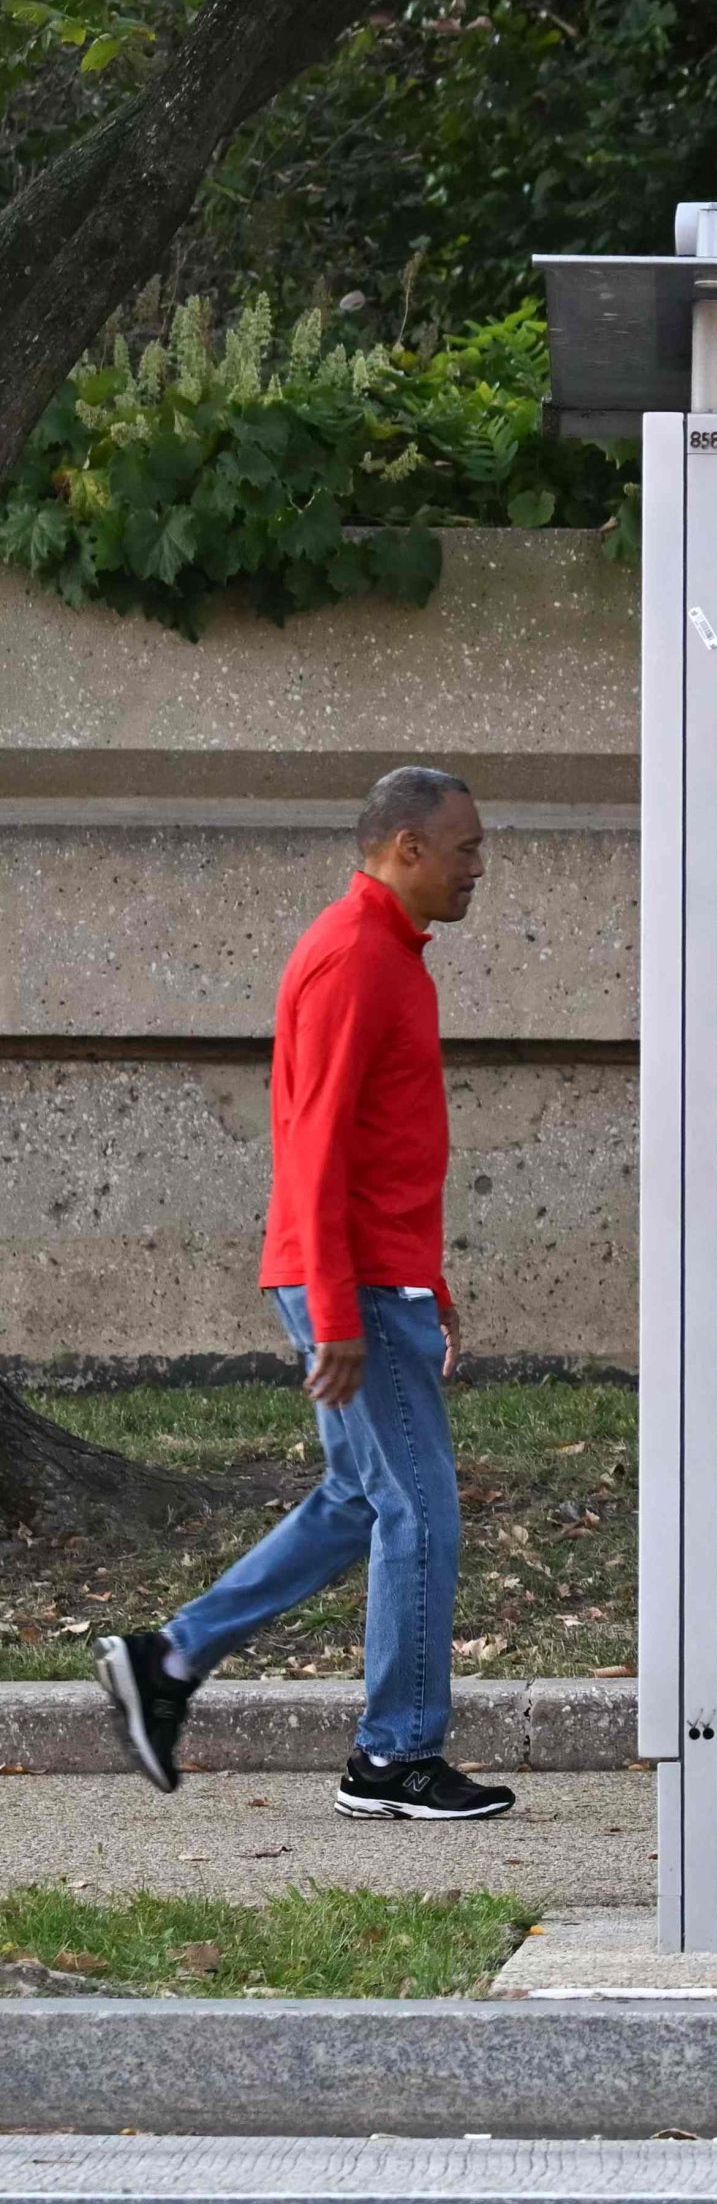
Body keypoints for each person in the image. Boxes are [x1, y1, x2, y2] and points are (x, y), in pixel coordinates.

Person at [92, 767, 517, 1821]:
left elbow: (382, 1150)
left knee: (355, 1502)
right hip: (352, 1285)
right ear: (406, 848)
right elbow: (313, 1147)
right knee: (422, 1514)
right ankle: (393, 1760)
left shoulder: (393, 957)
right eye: (463, 848)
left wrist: (431, 1278)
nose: (479, 867)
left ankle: (167, 1661)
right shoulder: (355, 957)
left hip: (381, 1275)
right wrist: (338, 1312)